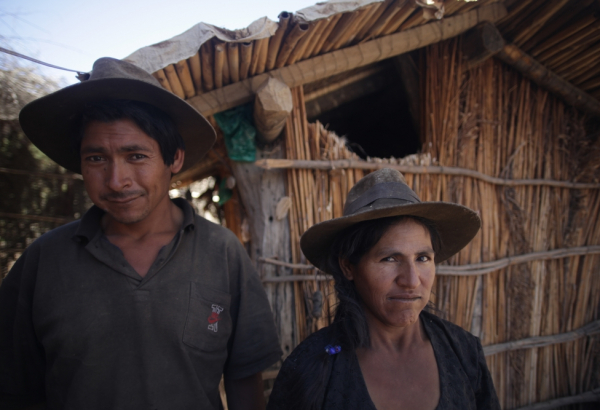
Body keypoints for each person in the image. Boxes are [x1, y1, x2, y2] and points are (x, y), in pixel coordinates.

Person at [0, 57, 282, 410]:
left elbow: (244, 380)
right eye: (97, 159)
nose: (117, 181)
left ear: (174, 159)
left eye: (136, 156)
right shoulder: (42, 262)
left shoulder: (222, 253)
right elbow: (15, 388)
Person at [267, 168, 500, 410]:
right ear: (348, 266)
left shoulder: (464, 352)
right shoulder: (310, 367)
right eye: (389, 258)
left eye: (422, 258)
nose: (411, 281)